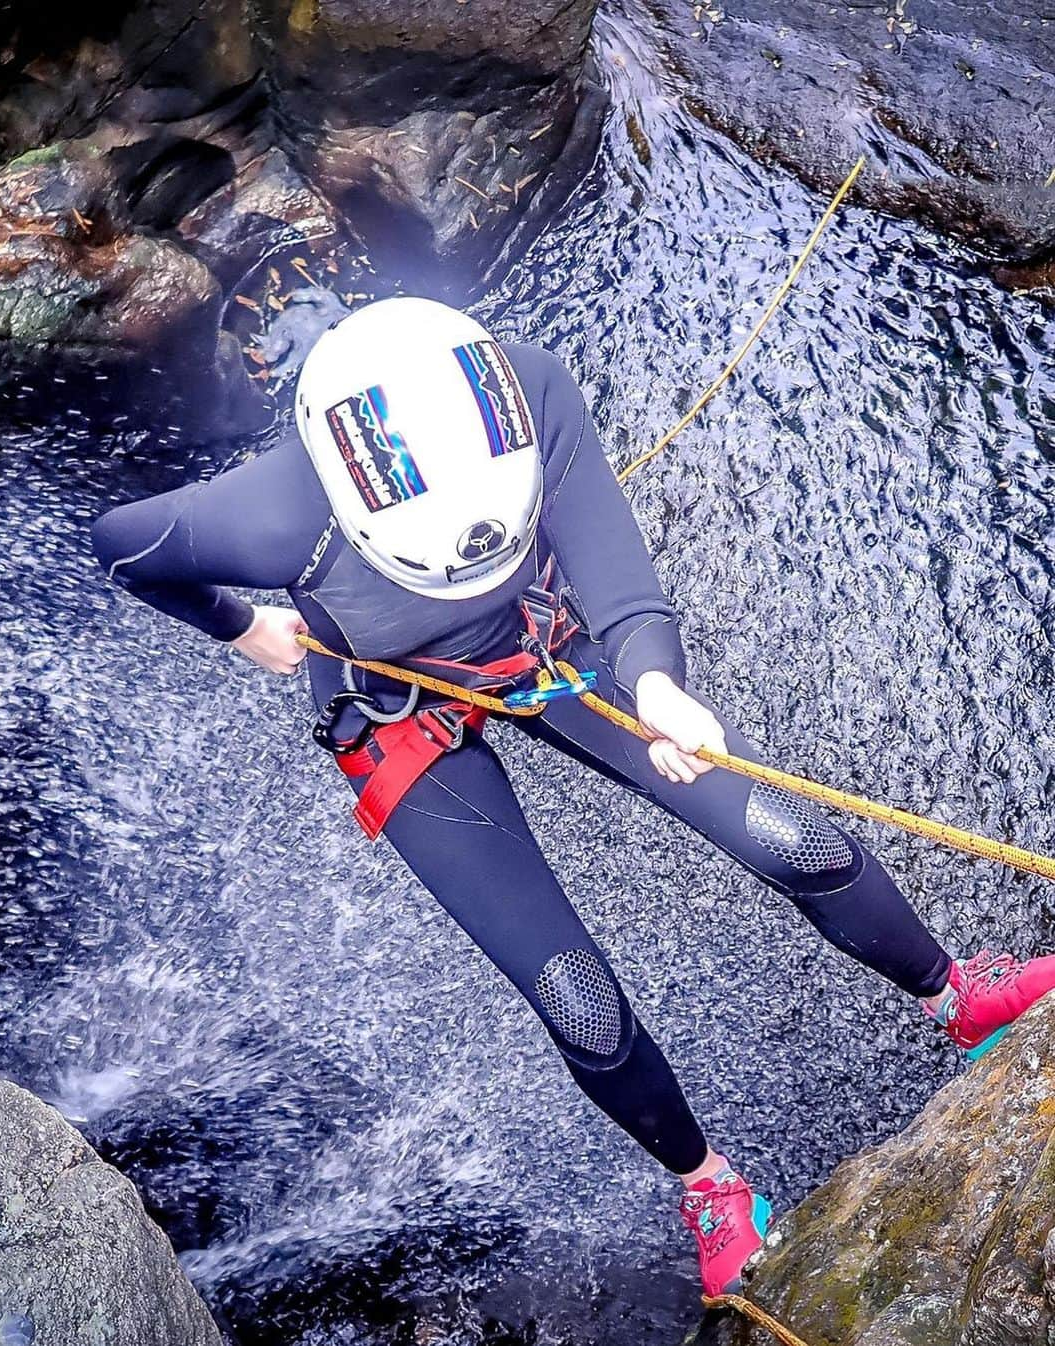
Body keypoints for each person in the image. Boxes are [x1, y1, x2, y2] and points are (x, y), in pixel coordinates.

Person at [91, 296, 1055, 1297]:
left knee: (794, 836)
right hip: (395, 711)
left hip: (545, 638)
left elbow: (619, 579)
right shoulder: (268, 514)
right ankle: (708, 1184)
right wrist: (239, 622)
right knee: (577, 1001)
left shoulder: (524, 382)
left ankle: (956, 993)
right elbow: (120, 541)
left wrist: (658, 683)